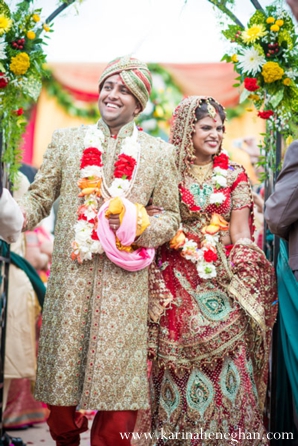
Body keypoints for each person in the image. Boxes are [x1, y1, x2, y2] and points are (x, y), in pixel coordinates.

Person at [16, 56, 180, 446]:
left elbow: (171, 218)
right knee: (60, 385)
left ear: (139, 103)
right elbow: (40, 197)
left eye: (123, 90)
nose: (112, 94)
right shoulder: (68, 141)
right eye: (108, 85)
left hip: (124, 286)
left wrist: (137, 228)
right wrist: (14, 215)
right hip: (71, 281)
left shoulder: (158, 154)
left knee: (119, 388)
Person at [146, 96, 277, 445]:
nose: (215, 133)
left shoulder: (234, 175)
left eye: (220, 128)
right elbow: (157, 224)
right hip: (172, 275)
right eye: (207, 127)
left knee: (231, 346)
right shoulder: (165, 172)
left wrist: (248, 260)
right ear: (187, 130)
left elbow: (239, 234)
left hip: (217, 274)